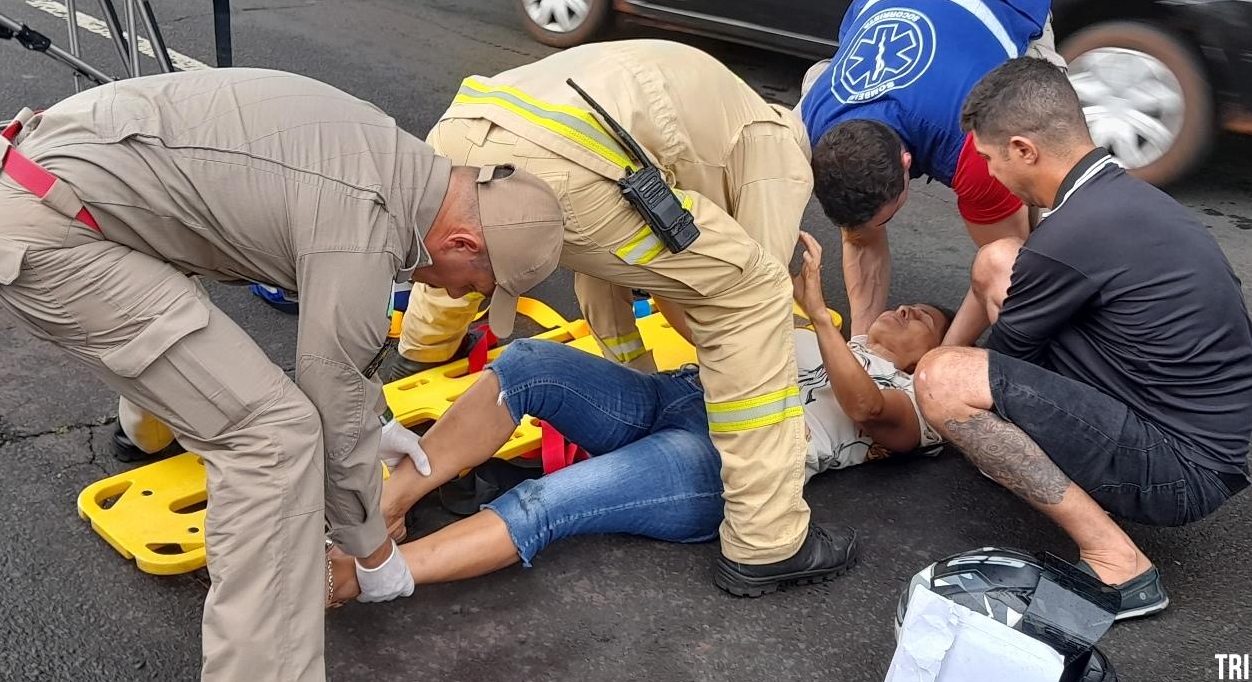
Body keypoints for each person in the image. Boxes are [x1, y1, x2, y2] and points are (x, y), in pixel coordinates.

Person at [0, 68, 565, 682]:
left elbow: (342, 360)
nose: (459, 296)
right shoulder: (366, 223)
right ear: (461, 242)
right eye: (473, 282)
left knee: (207, 351)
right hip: (50, 236)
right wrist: (374, 553)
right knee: (272, 439)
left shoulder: (389, 154)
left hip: (69, 185)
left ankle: (143, 432)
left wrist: (378, 420)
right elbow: (331, 396)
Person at [380, 39, 852, 596]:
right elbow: (745, 303)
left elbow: (607, 258)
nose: (910, 318)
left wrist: (634, 371)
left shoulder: (717, 102)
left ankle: (378, 512)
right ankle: (768, 542)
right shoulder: (778, 152)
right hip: (576, 159)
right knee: (753, 297)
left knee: (464, 267)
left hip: (473, 128)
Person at [324, 232, 948, 601]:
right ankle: (386, 515)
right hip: (673, 395)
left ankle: (374, 577)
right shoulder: (816, 335)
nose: (907, 310)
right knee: (529, 363)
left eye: (924, 319)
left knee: (547, 502)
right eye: (906, 304)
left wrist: (816, 311)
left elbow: (865, 408)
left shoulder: (914, 404)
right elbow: (704, 334)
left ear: (930, 359)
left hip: (720, 460)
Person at [911, 58, 1252, 620]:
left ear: (1025, 150)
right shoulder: (1120, 199)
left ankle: (1119, 563)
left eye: (991, 158)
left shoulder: (1069, 235)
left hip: (1178, 470)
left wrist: (929, 395)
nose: (990, 174)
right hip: (1188, 426)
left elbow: (997, 367)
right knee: (998, 259)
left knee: (942, 380)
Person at [799, 0, 1065, 347]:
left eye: (882, 218)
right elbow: (860, 238)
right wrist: (863, 349)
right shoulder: (812, 121)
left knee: (1028, 248)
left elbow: (1004, 260)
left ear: (906, 163)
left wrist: (943, 356)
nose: (869, 230)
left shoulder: (979, 144)